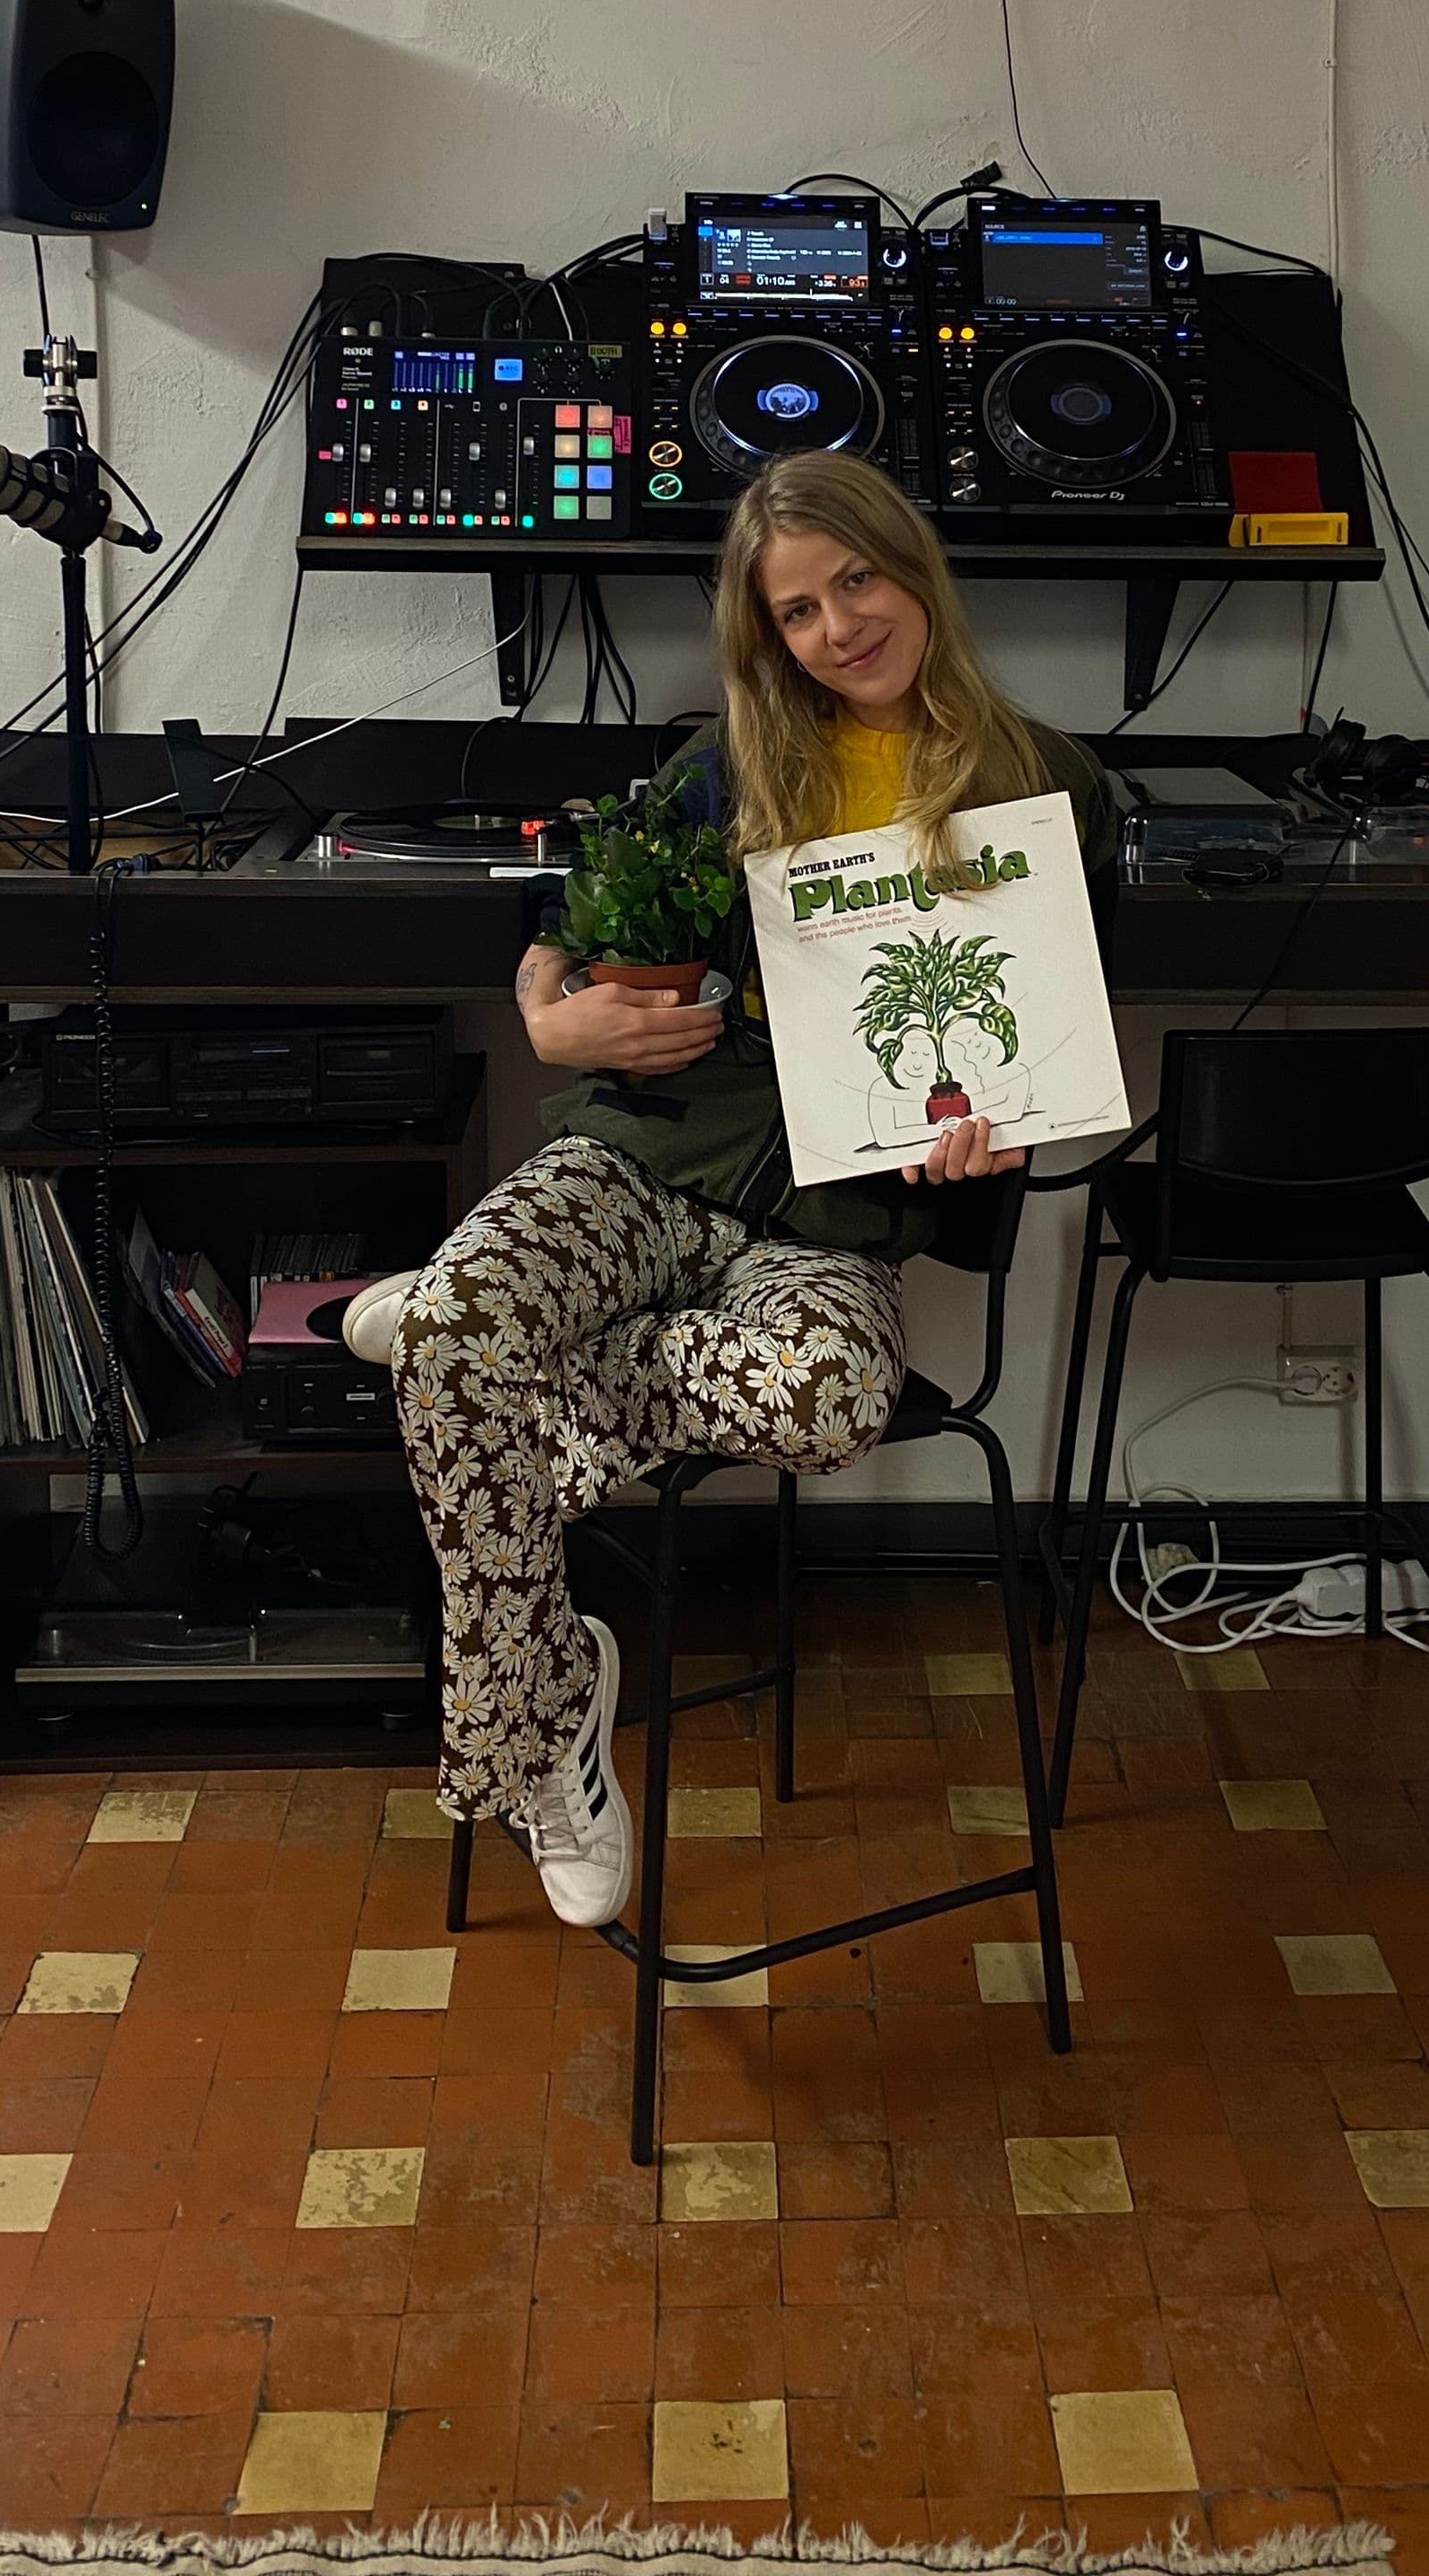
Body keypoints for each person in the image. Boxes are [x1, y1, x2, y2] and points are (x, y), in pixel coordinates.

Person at [348, 449, 1116, 1928]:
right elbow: (561, 922)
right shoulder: (729, 767)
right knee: (465, 1335)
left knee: (829, 1396)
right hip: (647, 1155)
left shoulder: (1055, 787)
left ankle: (475, 1348)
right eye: (798, 611)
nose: (839, 627)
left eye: (857, 582)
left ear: (914, 568)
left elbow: (1061, 1021)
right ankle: (550, 1729)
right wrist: (550, 1013)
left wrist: (1010, 1124)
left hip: (834, 1217)